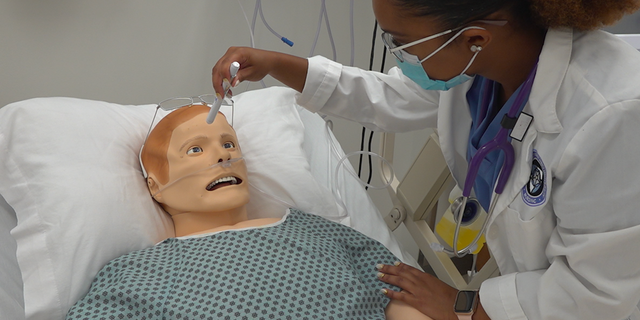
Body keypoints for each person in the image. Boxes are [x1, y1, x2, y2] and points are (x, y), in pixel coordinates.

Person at [211, 0, 640, 319]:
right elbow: (387, 95)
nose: (399, 57)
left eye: (401, 44)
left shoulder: (612, 116)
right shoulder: (481, 67)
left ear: (475, 38)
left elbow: (597, 294)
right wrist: (272, 63)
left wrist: (463, 304)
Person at [66, 104, 432, 320]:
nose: (224, 155)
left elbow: (405, 300)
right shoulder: (138, 276)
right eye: (196, 150)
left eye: (228, 143)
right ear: (155, 185)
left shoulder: (321, 232)